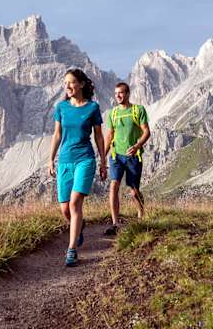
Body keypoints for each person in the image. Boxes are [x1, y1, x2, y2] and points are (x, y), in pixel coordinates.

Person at [48, 68, 107, 267]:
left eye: (71, 82)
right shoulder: (61, 107)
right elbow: (57, 135)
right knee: (65, 209)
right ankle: (79, 225)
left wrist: (103, 161)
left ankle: (71, 250)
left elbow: (98, 136)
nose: (68, 86)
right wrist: (50, 159)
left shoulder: (92, 108)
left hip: (85, 159)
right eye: (66, 83)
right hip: (65, 160)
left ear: (81, 84)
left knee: (74, 204)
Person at [104, 82, 151, 235]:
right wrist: (102, 157)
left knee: (134, 191)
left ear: (128, 93)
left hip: (133, 156)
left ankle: (141, 215)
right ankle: (115, 223)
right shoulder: (113, 113)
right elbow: (109, 135)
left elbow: (146, 132)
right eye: (116, 93)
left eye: (121, 92)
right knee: (113, 186)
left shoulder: (138, 110)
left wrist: (137, 146)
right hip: (116, 156)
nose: (118, 95)